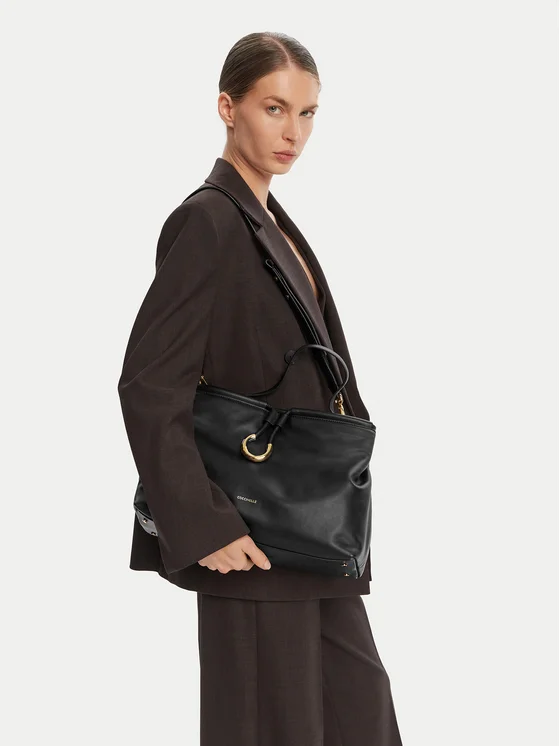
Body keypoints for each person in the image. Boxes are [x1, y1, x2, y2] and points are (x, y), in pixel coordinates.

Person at [117, 30, 403, 746]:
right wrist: (203, 525)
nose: (293, 133)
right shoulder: (209, 220)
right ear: (228, 108)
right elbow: (149, 384)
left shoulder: (271, 222)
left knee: (359, 709)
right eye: (274, 108)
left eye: (307, 113)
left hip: (310, 531)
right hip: (250, 532)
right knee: (268, 725)